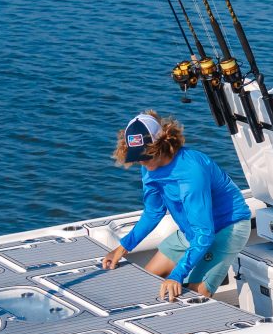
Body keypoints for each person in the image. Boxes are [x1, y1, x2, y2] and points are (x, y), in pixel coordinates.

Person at [100, 111, 251, 301]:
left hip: (227, 227)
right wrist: (121, 249)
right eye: (136, 156)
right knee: (146, 281)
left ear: (160, 145)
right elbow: (153, 212)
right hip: (191, 231)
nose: (141, 161)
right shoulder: (149, 167)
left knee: (195, 296)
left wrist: (177, 275)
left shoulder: (190, 173)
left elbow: (205, 234)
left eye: (146, 155)